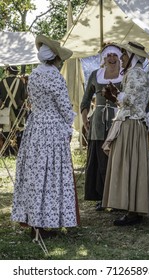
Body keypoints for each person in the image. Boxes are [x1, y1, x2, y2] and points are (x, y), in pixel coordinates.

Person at [11, 34, 79, 238]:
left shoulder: (34, 75)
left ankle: (35, 223)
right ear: (55, 58)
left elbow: (33, 101)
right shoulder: (54, 76)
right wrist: (70, 124)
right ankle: (45, 222)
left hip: (35, 127)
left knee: (36, 174)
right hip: (52, 129)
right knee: (51, 174)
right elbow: (64, 106)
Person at [102, 41, 149, 225]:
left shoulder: (136, 73)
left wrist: (117, 94)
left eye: (124, 54)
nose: (121, 58)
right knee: (128, 165)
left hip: (132, 124)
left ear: (132, 56)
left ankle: (132, 210)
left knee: (130, 165)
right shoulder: (132, 73)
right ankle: (129, 206)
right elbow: (128, 101)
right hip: (129, 122)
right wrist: (115, 96)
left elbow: (131, 100)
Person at [80, 43, 123, 210]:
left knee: (117, 159)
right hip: (98, 122)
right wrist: (85, 120)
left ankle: (118, 197)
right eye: (108, 56)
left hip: (117, 120)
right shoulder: (95, 75)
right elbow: (85, 101)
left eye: (114, 55)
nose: (111, 59)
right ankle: (103, 197)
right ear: (104, 59)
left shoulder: (124, 74)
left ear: (119, 57)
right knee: (101, 161)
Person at [0, 66, 27, 154]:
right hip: (18, 109)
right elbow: (24, 96)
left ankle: (6, 152)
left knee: (6, 130)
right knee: (19, 129)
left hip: (6, 109)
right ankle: (17, 151)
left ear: (8, 71)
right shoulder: (20, 82)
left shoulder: (2, 81)